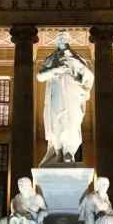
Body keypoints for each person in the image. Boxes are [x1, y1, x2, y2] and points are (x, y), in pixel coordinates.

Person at [36, 32, 93, 164]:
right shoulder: (51, 59)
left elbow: (89, 77)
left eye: (64, 38)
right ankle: (58, 152)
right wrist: (55, 70)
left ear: (69, 40)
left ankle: (69, 151)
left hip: (72, 93)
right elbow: (40, 76)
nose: (62, 40)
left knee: (72, 122)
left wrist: (81, 85)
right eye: (60, 38)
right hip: (57, 93)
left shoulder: (77, 59)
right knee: (56, 120)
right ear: (56, 42)